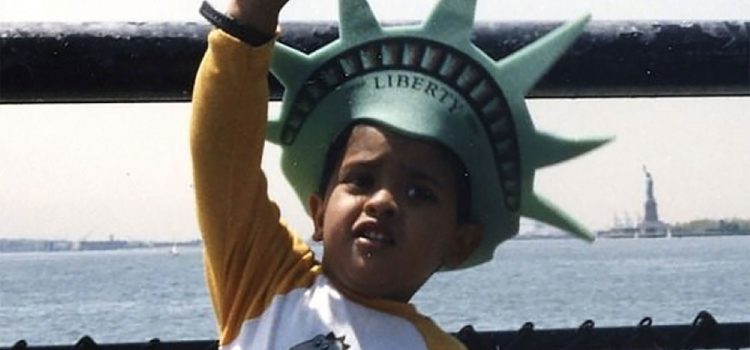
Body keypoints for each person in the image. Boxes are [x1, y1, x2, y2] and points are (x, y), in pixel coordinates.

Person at [191, 0, 606, 348]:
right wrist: (249, 18)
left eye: (419, 192)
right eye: (361, 180)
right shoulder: (264, 280)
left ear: (460, 243)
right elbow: (222, 152)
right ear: (318, 214)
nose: (383, 201)